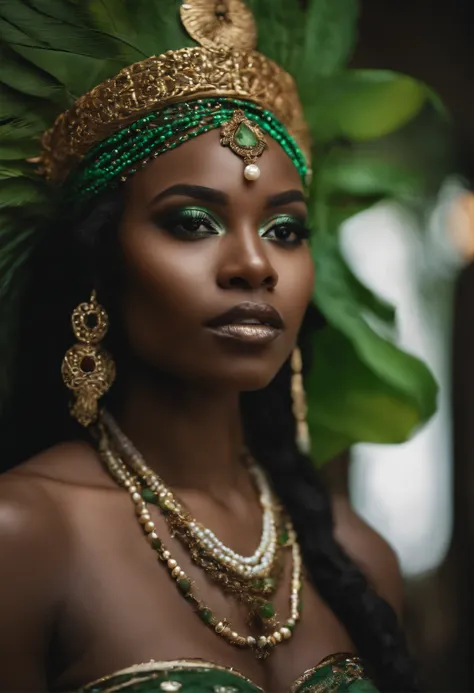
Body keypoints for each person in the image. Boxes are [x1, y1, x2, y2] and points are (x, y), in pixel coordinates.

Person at [0, 1, 422, 691]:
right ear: (99, 264)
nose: (255, 265)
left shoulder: (357, 554)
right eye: (193, 222)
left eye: (285, 230)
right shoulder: (26, 536)